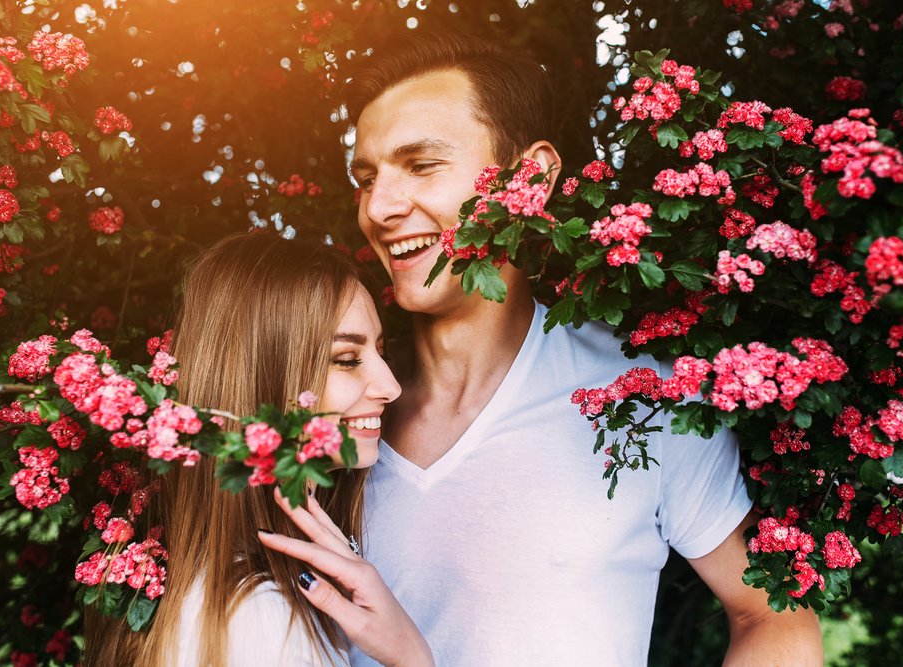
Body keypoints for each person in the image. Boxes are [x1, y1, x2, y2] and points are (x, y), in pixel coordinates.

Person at [338, 33, 824, 665]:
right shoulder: (335, 408)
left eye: (423, 166)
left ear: (530, 177)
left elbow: (770, 613)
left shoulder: (644, 397)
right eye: (366, 178)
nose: (378, 207)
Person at [83, 232, 433, 667]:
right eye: (346, 359)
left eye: (380, 352)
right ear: (267, 378)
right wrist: (411, 658)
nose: (391, 387)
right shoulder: (265, 626)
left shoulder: (233, 600)